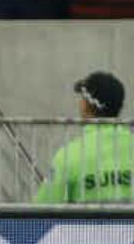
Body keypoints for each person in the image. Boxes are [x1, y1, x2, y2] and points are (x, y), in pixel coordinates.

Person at [34, 72, 133, 203]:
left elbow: (42, 210)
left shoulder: (69, 155)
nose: (80, 104)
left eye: (82, 99)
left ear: (86, 106)